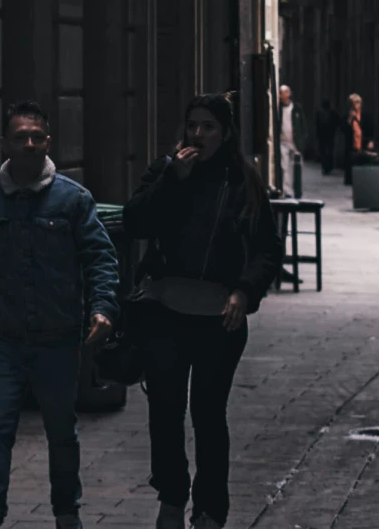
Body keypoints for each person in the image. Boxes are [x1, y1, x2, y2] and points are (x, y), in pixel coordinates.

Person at [0, 100, 119, 529]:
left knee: (61, 430)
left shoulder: (73, 200)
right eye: (20, 137)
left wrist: (102, 307)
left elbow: (100, 258)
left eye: (37, 137)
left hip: (57, 338)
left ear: (48, 142)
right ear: (5, 143)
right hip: (2, 338)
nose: (29, 144)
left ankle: (65, 510)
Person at [124, 95, 282, 529]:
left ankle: (210, 509)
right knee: (166, 411)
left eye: (209, 126)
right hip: (165, 312)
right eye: (192, 125)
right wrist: (173, 179)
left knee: (209, 414)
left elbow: (268, 249)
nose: (198, 134)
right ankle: (172, 497)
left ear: (225, 132)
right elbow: (136, 222)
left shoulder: (242, 181)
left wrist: (244, 291)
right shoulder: (166, 170)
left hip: (219, 318)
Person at [277, 84, 307, 197]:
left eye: (283, 92)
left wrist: (302, 141)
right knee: (284, 167)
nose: (281, 95)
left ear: (288, 94)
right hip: (283, 142)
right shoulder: (278, 109)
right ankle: (287, 191)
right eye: (280, 93)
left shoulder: (296, 108)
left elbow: (303, 127)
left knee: (297, 167)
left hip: (295, 143)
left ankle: (298, 191)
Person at [342, 93, 365, 186]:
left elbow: (370, 128)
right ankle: (350, 181)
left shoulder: (365, 115)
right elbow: (343, 130)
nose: (356, 105)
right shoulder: (347, 117)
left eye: (358, 102)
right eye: (354, 103)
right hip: (351, 144)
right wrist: (350, 119)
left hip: (363, 143)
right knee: (350, 164)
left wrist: (371, 140)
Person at [314, 98, 340, 176]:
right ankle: (327, 167)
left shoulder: (320, 113)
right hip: (329, 135)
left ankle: (326, 167)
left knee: (325, 152)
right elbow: (337, 122)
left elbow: (317, 125)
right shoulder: (332, 113)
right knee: (328, 151)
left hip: (324, 135)